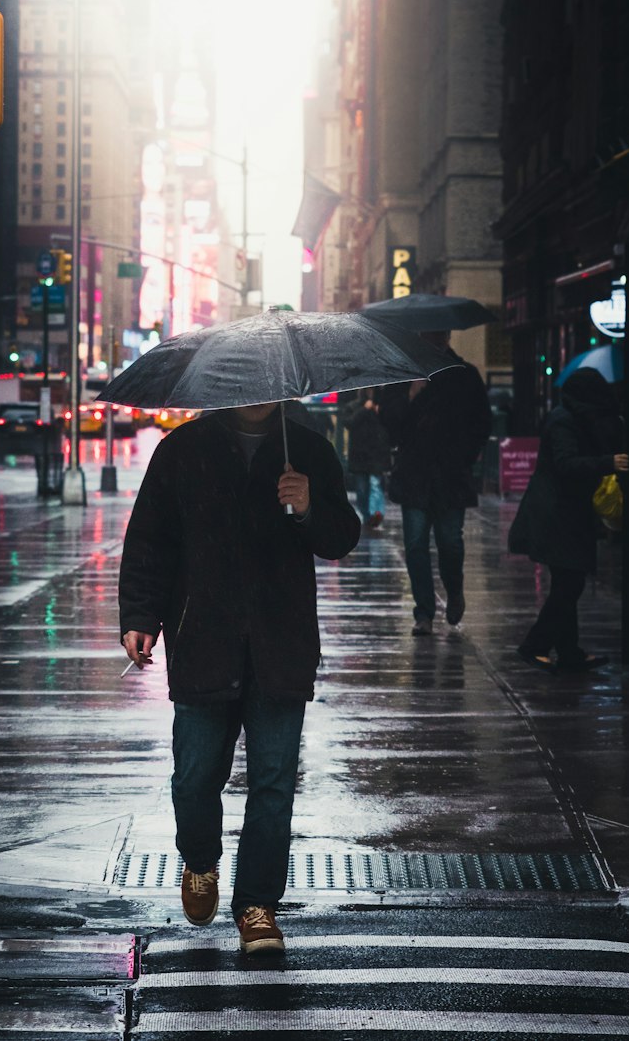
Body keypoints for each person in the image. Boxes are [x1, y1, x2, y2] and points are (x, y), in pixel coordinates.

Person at [119, 402, 360, 953]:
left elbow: (341, 536)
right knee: (196, 776)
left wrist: (307, 507)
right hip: (204, 640)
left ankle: (257, 907)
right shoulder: (184, 449)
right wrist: (139, 616)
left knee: (273, 784)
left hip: (283, 644)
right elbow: (150, 538)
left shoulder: (309, 450)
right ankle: (200, 859)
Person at [509, 367, 628, 672]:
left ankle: (569, 651)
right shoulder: (564, 421)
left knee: (567, 582)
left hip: (563, 513)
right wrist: (607, 463)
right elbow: (566, 464)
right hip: (557, 514)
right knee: (569, 584)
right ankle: (534, 645)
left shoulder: (573, 418)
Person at [377, 331, 492, 636]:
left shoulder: (465, 375)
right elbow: (390, 425)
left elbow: (482, 423)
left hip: (451, 475)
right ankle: (424, 612)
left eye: (438, 336)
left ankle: (454, 592)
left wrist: (464, 457)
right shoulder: (402, 375)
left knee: (450, 542)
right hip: (415, 475)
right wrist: (411, 396)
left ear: (447, 337)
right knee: (415, 545)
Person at [340, 389, 391, 530]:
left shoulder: (381, 406)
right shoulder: (352, 406)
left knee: (376, 484)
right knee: (361, 489)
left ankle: (376, 513)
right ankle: (367, 515)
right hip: (360, 454)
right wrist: (364, 410)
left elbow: (390, 424)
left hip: (376, 454)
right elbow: (349, 423)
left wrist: (379, 411)